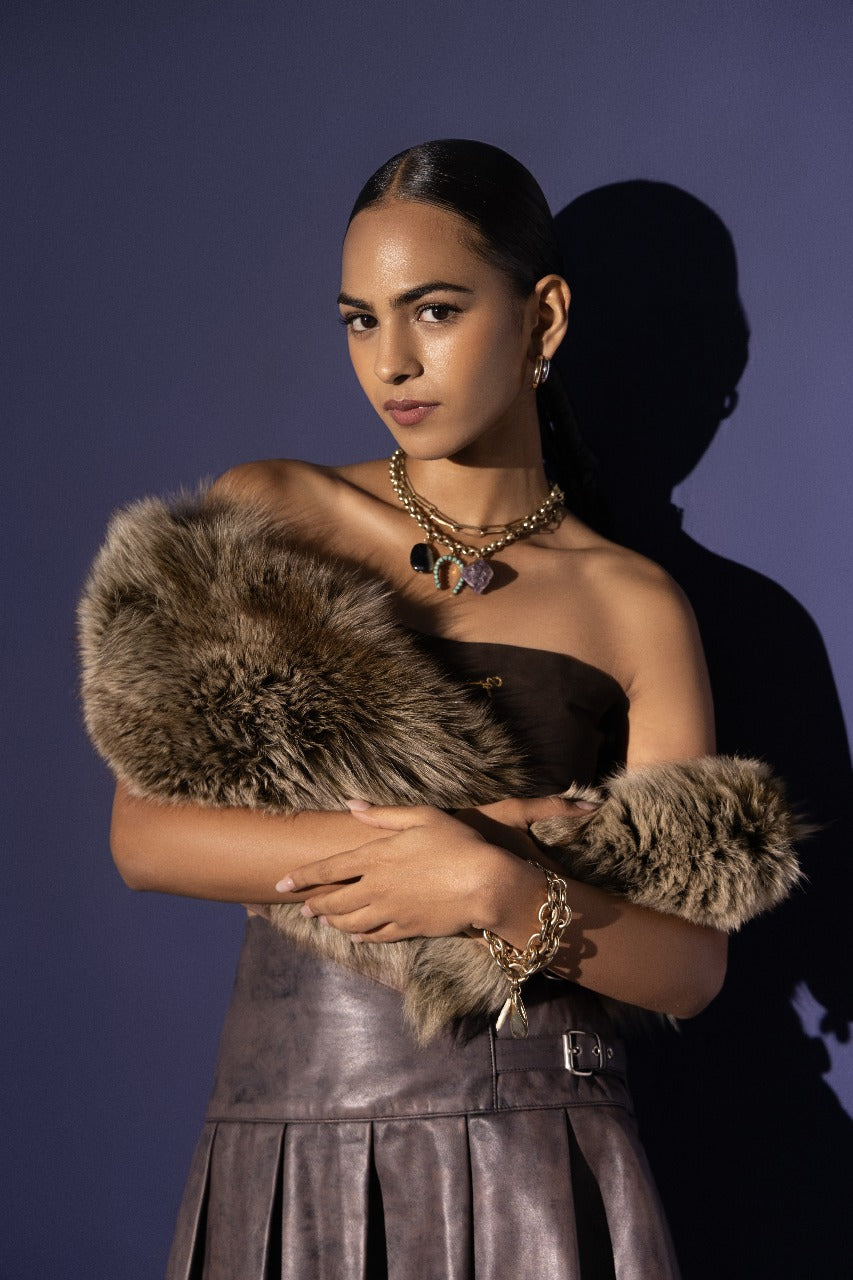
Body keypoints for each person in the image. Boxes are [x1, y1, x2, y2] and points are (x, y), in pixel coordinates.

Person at [80, 140, 798, 1279]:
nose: (392, 362)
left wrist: (494, 888)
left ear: (542, 317)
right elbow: (147, 834)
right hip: (294, 1134)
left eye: (435, 310)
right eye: (360, 320)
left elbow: (689, 965)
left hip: (539, 1146)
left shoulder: (634, 603)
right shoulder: (270, 510)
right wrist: (452, 843)